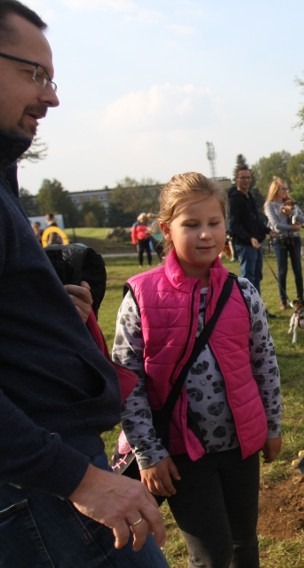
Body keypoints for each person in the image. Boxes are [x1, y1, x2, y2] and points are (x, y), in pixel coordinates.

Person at [0, 2, 167, 565]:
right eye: (34, 74)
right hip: (40, 487)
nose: (52, 97)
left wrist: (43, 313)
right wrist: (80, 481)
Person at [113, 172, 283, 567]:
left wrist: (272, 426)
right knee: (212, 553)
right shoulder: (140, 295)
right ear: (166, 230)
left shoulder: (243, 292)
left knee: (244, 542)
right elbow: (128, 382)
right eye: (191, 224)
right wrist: (149, 454)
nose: (205, 234)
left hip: (241, 445)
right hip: (179, 453)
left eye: (214, 223)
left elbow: (265, 363)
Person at [264, 176, 304, 311]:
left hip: (294, 239)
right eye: (283, 188)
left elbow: (303, 219)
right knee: (282, 270)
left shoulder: (290, 202)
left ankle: (301, 298)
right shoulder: (269, 205)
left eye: (287, 189)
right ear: (276, 189)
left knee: (297, 269)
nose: (286, 191)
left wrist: (292, 212)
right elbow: (276, 225)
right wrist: (293, 227)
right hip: (279, 240)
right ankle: (283, 299)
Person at [228, 165, 271, 294]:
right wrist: (249, 238)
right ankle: (248, 308)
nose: (246, 180)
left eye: (248, 177)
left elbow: (256, 219)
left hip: (256, 243)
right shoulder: (234, 199)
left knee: (257, 276)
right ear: (236, 179)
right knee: (248, 278)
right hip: (245, 244)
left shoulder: (249, 197)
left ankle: (257, 306)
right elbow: (235, 224)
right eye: (243, 178)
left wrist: (268, 231)